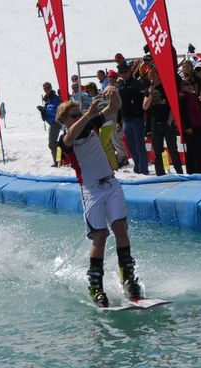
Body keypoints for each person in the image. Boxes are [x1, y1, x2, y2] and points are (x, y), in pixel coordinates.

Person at [54, 88, 144, 308]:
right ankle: (96, 286)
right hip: (91, 189)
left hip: (111, 183)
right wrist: (87, 116)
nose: (80, 116)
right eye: (74, 115)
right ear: (64, 119)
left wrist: (114, 93)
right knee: (100, 235)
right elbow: (71, 136)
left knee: (120, 227)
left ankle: (128, 278)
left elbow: (114, 108)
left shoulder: (90, 124)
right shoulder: (64, 137)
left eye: (80, 113)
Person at [143, 69, 183, 176]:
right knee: (158, 151)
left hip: (166, 122)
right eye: (149, 75)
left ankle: (179, 172)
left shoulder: (165, 87)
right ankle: (160, 173)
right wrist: (150, 94)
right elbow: (145, 106)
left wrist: (170, 120)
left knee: (172, 149)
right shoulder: (149, 90)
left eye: (153, 74)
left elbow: (172, 105)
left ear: (158, 75)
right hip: (155, 123)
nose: (151, 77)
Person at [117, 64, 149, 175]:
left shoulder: (137, 84)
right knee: (131, 145)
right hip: (125, 119)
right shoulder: (120, 85)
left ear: (130, 72)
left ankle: (143, 169)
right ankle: (137, 167)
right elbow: (118, 104)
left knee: (140, 144)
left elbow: (144, 99)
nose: (124, 74)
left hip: (136, 118)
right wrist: (118, 120)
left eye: (125, 72)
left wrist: (139, 113)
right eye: (121, 73)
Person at [179, 78, 201, 174]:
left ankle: (200, 170)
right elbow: (183, 114)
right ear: (183, 86)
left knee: (199, 150)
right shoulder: (182, 97)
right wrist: (187, 127)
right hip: (191, 128)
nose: (190, 86)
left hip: (199, 126)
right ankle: (192, 171)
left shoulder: (193, 95)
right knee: (192, 150)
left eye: (191, 84)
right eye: (187, 85)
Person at [38, 82, 62, 166]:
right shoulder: (48, 98)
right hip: (52, 123)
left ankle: (58, 161)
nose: (46, 90)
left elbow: (56, 111)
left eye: (47, 88)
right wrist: (43, 112)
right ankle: (58, 159)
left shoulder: (54, 98)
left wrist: (45, 111)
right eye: (44, 88)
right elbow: (49, 109)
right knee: (53, 142)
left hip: (56, 122)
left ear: (51, 87)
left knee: (52, 143)